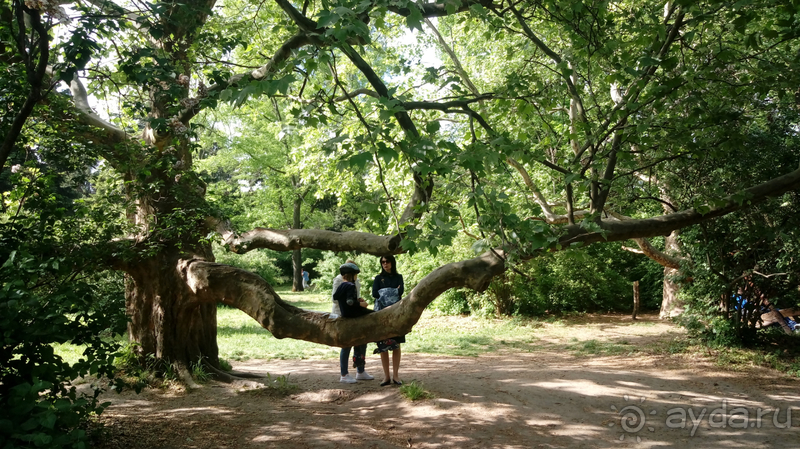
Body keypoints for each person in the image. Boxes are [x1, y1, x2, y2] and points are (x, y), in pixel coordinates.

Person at [332, 262, 374, 384]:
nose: (357, 276)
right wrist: (360, 304)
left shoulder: (351, 283)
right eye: (355, 274)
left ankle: (360, 370)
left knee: (362, 341)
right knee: (347, 344)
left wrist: (357, 300)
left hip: (353, 314)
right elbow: (338, 300)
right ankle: (344, 374)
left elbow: (343, 297)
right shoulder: (343, 283)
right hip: (344, 316)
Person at [371, 254, 405, 386]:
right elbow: (374, 293)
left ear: (392, 263)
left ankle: (396, 376)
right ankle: (386, 376)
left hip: (396, 314)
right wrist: (392, 292)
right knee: (382, 345)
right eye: (383, 262)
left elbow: (401, 292)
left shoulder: (399, 277)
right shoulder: (378, 278)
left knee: (396, 344)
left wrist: (384, 292)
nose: (385, 264)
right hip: (381, 315)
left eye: (387, 262)